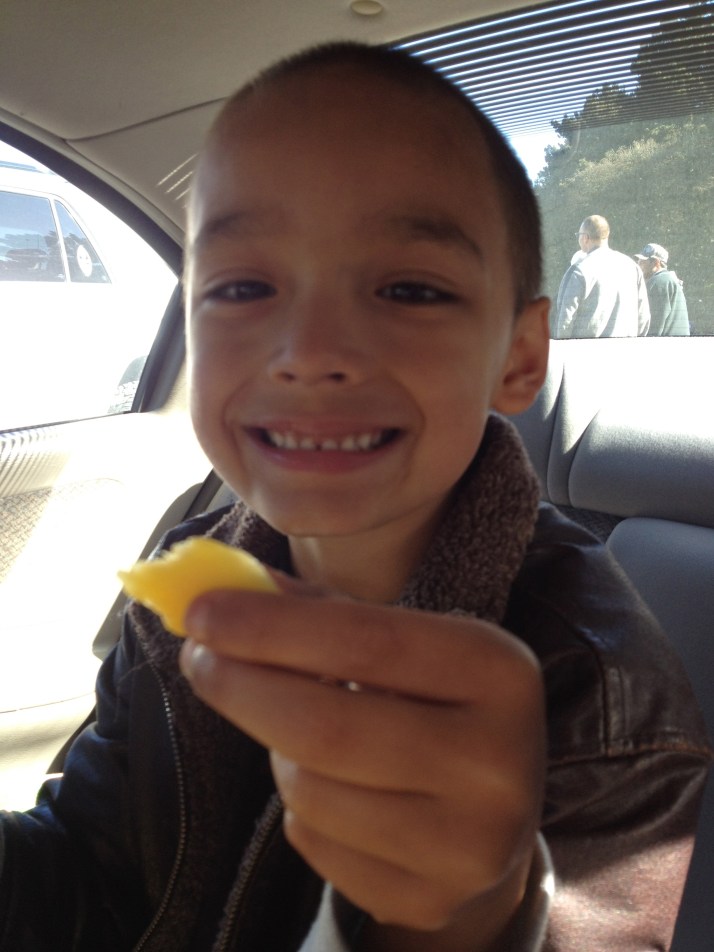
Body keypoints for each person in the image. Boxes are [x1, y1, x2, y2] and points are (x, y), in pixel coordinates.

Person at [0, 42, 710, 952]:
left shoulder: (602, 689)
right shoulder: (184, 581)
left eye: (409, 289)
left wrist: (477, 916)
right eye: (243, 286)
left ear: (520, 356)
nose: (308, 350)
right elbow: (85, 875)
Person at [552, 215, 650, 338]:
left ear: (585, 238)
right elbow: (643, 318)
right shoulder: (632, 267)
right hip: (626, 348)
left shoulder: (579, 271)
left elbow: (565, 321)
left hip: (587, 349)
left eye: (579, 235)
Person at [634, 242, 690, 336]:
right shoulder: (667, 279)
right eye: (639, 261)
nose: (638, 264)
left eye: (642, 261)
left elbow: (653, 325)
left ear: (656, 263)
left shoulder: (660, 282)